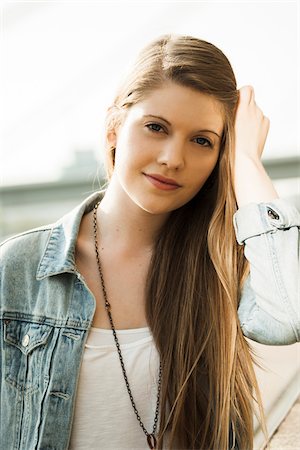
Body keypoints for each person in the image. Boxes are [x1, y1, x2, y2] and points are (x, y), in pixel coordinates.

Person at [0, 34, 299, 450]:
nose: (173, 158)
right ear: (113, 128)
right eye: (156, 128)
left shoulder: (219, 269)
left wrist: (246, 162)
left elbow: (289, 315)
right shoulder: (19, 269)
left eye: (202, 141)